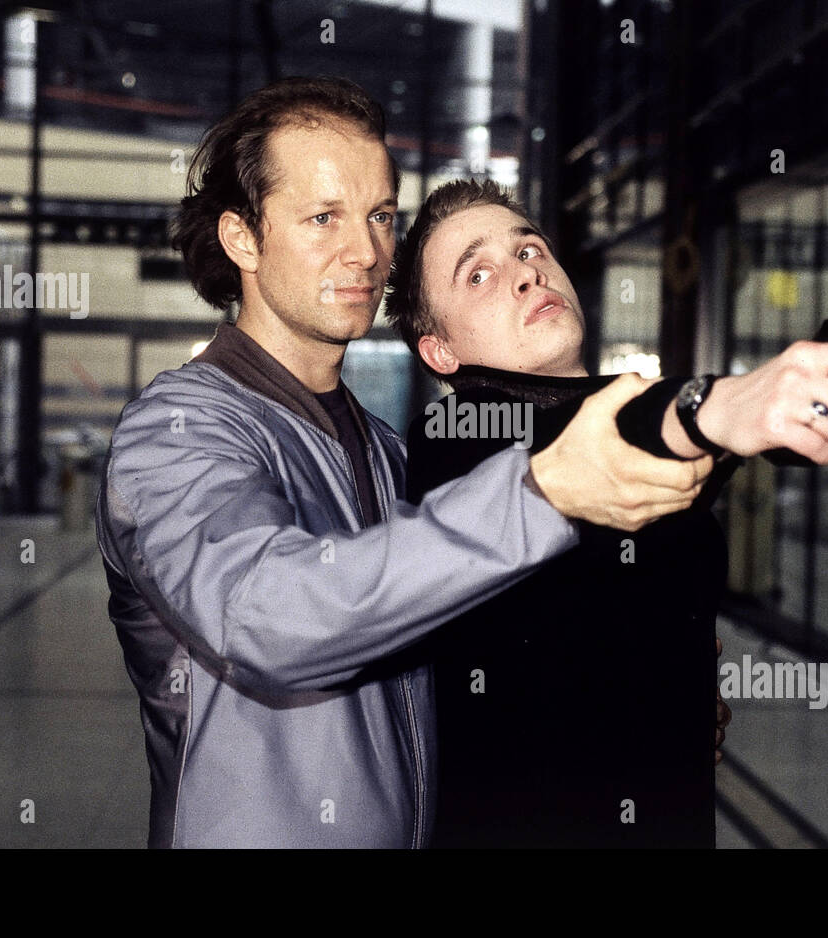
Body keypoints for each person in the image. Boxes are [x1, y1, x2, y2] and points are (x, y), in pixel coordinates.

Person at [93, 77, 712, 848]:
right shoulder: (177, 431)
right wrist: (544, 491)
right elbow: (268, 617)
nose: (367, 252)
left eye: (380, 215)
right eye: (324, 217)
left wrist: (650, 705)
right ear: (242, 238)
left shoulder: (389, 456)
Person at [383, 179, 828, 846]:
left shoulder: (620, 411)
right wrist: (709, 411)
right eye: (478, 275)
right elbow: (592, 447)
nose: (523, 274)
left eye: (530, 249)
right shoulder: (454, 438)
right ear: (441, 352)